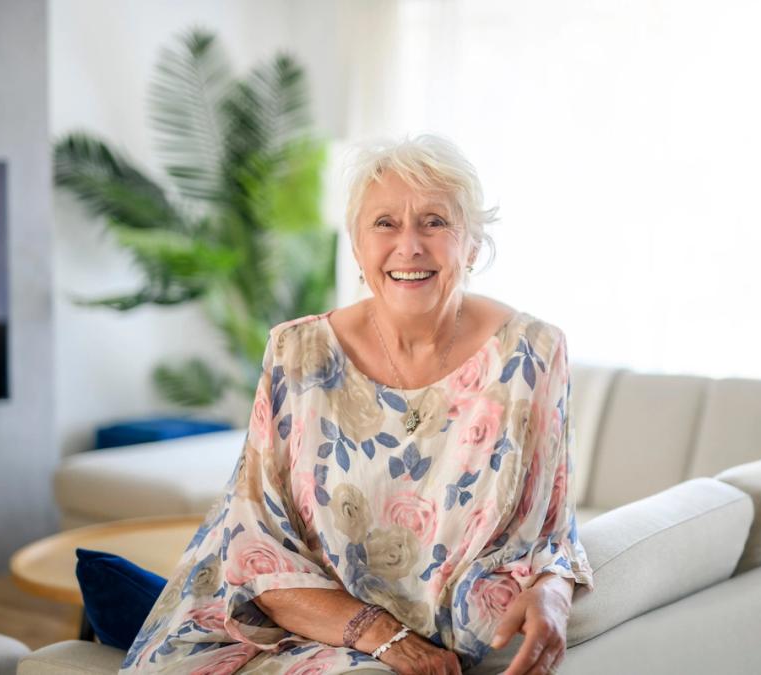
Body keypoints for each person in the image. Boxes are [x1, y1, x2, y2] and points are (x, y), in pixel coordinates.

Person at [120, 134, 593, 674]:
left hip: (440, 634)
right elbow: (255, 542)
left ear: (473, 245)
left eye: (435, 222)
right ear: (357, 248)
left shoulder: (533, 353)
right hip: (298, 620)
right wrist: (384, 638)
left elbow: (551, 526)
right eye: (385, 223)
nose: (409, 245)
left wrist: (554, 588)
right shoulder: (296, 352)